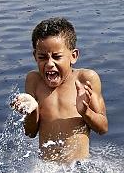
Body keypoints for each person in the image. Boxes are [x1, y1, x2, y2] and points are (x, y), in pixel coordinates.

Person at [10, 17, 108, 163]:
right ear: (35, 57)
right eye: (42, 57)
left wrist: (85, 112)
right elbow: (30, 132)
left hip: (78, 168)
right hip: (46, 168)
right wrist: (32, 111)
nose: (50, 64)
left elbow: (103, 128)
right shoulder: (34, 80)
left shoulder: (86, 79)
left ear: (73, 56)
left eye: (57, 57)